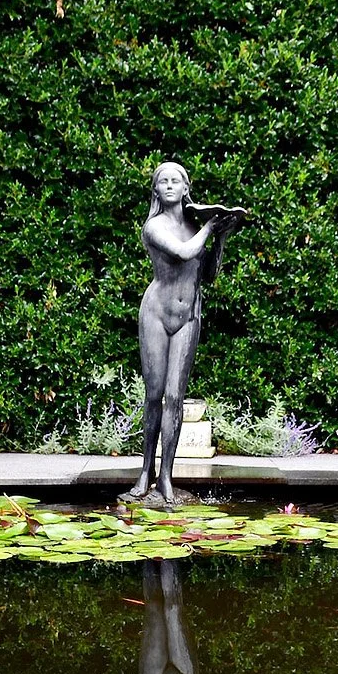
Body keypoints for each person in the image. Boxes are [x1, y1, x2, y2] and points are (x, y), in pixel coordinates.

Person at [120, 161, 246, 506]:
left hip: (188, 316)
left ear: (186, 187)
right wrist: (209, 227)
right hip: (157, 314)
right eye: (164, 181)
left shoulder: (194, 224)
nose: (170, 185)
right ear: (156, 190)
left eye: (177, 180)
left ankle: (166, 479)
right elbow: (184, 251)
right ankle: (145, 472)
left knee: (175, 396)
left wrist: (220, 237)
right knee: (154, 395)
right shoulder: (154, 226)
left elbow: (208, 274)